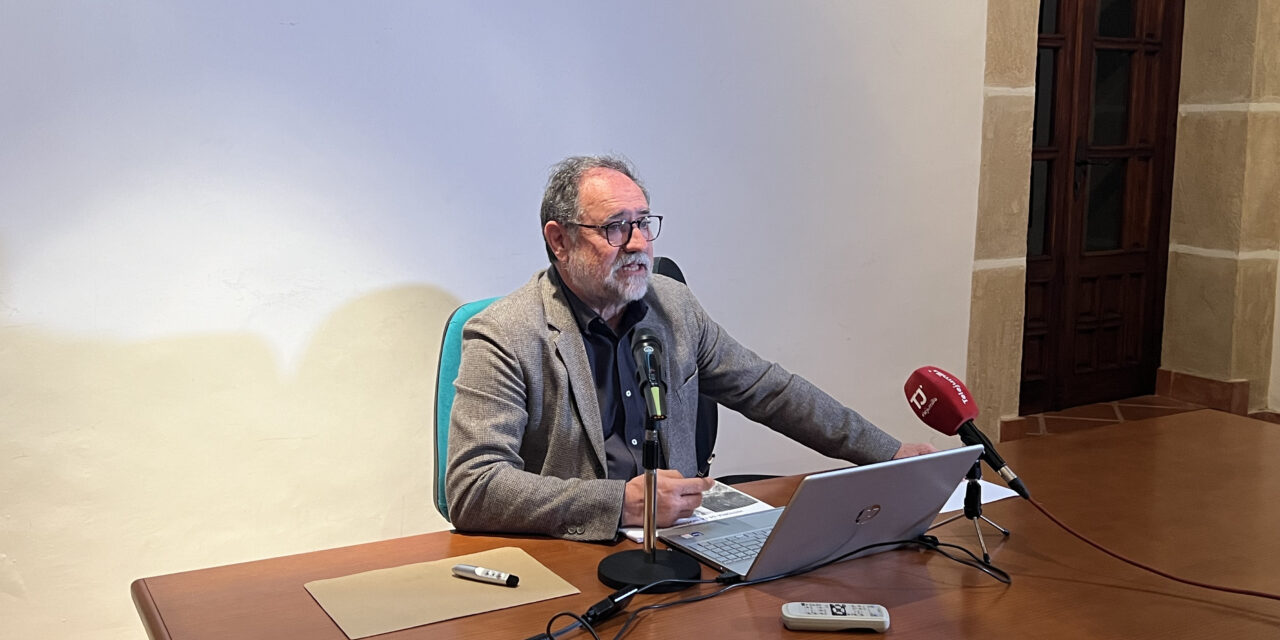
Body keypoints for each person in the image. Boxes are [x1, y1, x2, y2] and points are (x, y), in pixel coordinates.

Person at [445, 155, 937, 541]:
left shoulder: (674, 307)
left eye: (644, 223)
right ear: (559, 240)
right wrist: (618, 503)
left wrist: (889, 454)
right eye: (616, 227)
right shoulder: (505, 334)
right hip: (574, 551)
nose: (638, 243)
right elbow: (474, 485)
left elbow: (771, 390)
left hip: (685, 539)